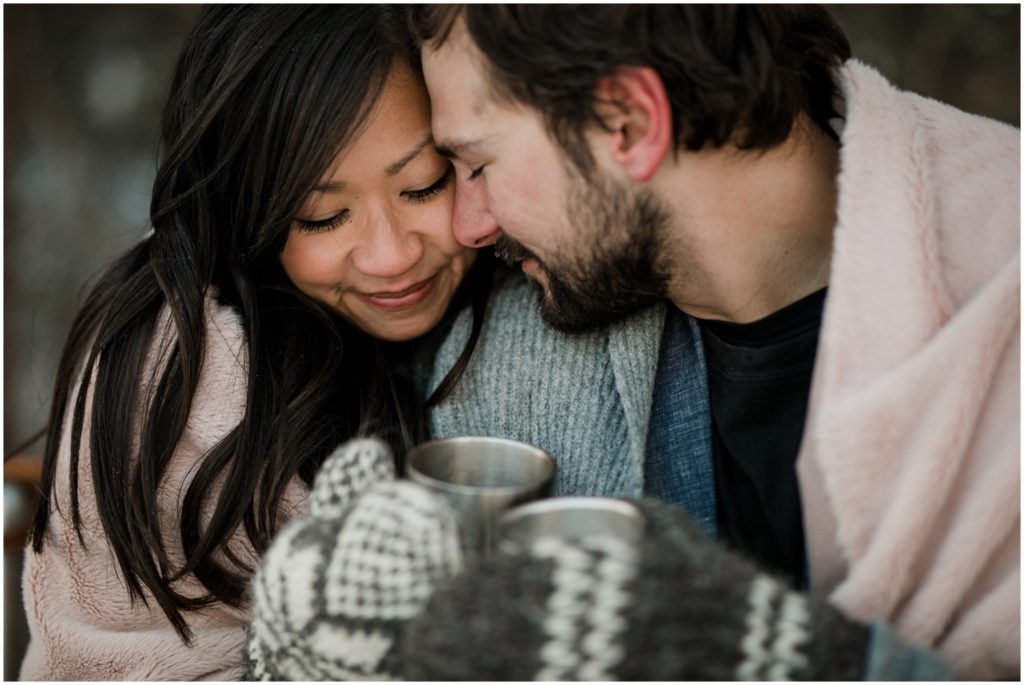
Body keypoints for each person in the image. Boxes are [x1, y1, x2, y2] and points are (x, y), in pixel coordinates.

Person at [245, 4, 1017, 681]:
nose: (469, 224)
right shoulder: (503, 358)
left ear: (630, 122)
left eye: (476, 163)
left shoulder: (1000, 298)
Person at [19, 5, 491, 680]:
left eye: (422, 186)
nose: (390, 255)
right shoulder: (178, 374)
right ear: (247, 214)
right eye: (323, 216)